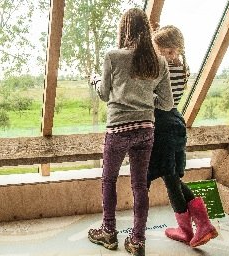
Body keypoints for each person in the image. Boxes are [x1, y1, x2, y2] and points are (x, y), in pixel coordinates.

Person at [87, 8, 173, 256]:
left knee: (109, 180)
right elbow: (167, 103)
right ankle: (137, 241)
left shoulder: (113, 56)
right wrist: (145, 101)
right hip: (146, 129)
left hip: (117, 129)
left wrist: (94, 80)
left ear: (123, 29)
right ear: (146, 29)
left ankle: (109, 233)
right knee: (139, 185)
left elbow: (104, 93)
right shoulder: (159, 61)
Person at [147, 25, 218, 248]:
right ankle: (193, 227)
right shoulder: (182, 66)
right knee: (173, 178)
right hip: (177, 121)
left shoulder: (161, 67)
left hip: (162, 124)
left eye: (161, 50)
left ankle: (196, 227)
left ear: (169, 49)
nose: (159, 55)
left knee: (170, 178)